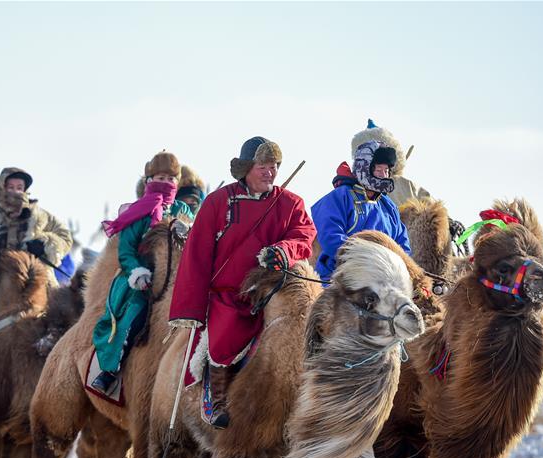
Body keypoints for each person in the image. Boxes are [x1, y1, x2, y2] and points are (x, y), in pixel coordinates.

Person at [168, 137, 316, 429]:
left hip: (273, 289)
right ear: (247, 168)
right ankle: (215, 397)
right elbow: (196, 255)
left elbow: (304, 234)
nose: (269, 172)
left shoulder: (290, 203)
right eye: (263, 166)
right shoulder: (217, 202)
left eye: (274, 166)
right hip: (229, 296)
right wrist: (191, 307)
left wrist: (283, 252)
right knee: (226, 332)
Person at [90, 151, 195, 394]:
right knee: (134, 313)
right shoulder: (138, 211)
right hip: (140, 278)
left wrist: (188, 228)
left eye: (171, 179)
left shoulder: (184, 210)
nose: (166, 183)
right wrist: (137, 272)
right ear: (149, 180)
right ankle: (110, 370)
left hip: (177, 276)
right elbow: (126, 250)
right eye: (160, 177)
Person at [0, 167, 72, 343]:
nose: (15, 191)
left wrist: (44, 244)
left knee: (54, 334)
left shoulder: (41, 216)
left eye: (19, 187)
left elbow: (65, 237)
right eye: (10, 186)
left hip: (33, 288)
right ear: (1, 187)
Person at [312, 123, 412, 280]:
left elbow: (402, 246)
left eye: (386, 171)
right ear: (364, 168)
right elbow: (331, 239)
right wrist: (367, 262)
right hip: (341, 278)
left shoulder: (388, 207)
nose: (384, 175)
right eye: (379, 170)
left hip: (386, 280)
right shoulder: (338, 198)